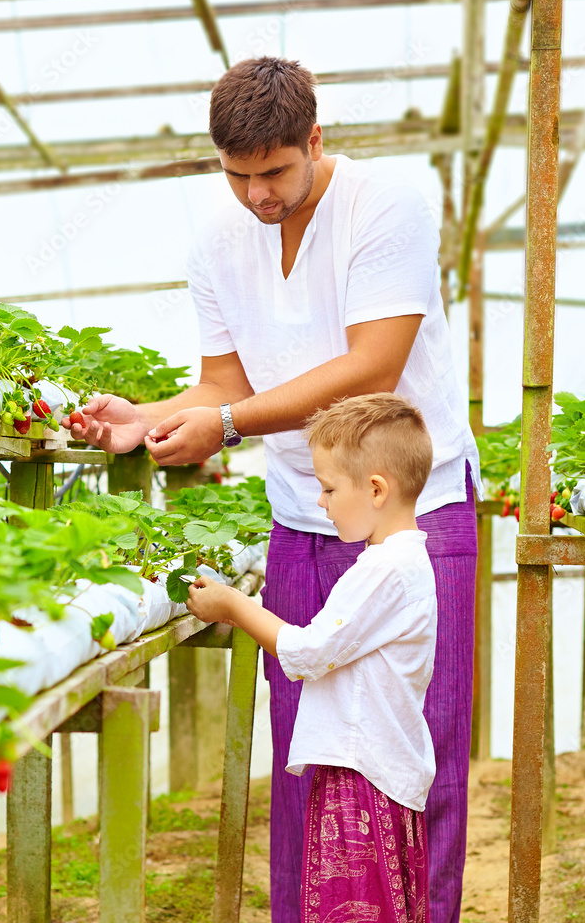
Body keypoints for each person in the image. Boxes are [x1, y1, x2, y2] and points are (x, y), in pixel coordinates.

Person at [64, 56, 480, 923]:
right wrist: (147, 416)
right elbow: (224, 382)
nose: (257, 195)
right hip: (306, 509)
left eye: (275, 173)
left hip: (415, 505)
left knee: (420, 749)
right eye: (238, 175)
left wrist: (232, 426)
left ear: (315, 140)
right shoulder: (217, 241)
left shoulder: (387, 205)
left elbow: (374, 365)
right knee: (308, 752)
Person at [185, 393, 437, 922]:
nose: (320, 502)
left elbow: (307, 651)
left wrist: (234, 607)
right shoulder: (403, 561)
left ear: (375, 489)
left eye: (327, 488)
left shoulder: (383, 571)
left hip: (363, 770)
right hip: (374, 764)